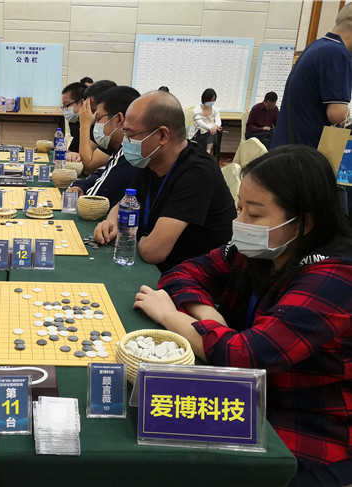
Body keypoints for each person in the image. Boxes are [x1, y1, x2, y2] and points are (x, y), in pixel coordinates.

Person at [133, 146, 352, 487]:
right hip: (244, 394)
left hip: (309, 426)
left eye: (255, 213)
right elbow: (180, 274)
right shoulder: (260, 249)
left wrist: (171, 316)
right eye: (239, 208)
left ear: (304, 223)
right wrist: (208, 317)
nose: (240, 223)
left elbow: (244, 355)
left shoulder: (334, 277)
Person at [94, 90, 236, 272]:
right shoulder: (150, 161)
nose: (125, 141)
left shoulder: (197, 173)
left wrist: (132, 237)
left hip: (193, 278)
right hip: (158, 267)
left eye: (130, 134)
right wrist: (112, 223)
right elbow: (127, 202)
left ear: (162, 135)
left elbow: (153, 252)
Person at [272, 4, 352, 149]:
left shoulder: (316, 46)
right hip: (304, 154)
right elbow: (338, 115)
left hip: (287, 148)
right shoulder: (337, 53)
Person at [67, 86, 140, 208]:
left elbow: (92, 199)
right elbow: (104, 172)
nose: (95, 124)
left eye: (98, 118)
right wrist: (81, 186)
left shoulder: (131, 153)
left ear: (119, 119)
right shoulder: (122, 147)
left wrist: (85, 125)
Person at [77, 79, 119, 175]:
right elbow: (82, 156)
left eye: (93, 111)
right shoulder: (101, 132)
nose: (88, 114)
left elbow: (87, 167)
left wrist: (84, 125)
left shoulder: (114, 133)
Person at [188, 88, 222, 157]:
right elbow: (200, 123)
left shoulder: (215, 110)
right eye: (210, 100)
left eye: (213, 100)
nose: (212, 102)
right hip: (198, 133)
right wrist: (212, 128)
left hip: (211, 132)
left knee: (213, 134)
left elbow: (218, 121)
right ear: (205, 99)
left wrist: (215, 126)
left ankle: (208, 154)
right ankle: (207, 154)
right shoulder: (197, 110)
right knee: (212, 134)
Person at [61, 82, 86, 156]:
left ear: (82, 102)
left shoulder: (93, 127)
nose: (65, 110)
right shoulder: (78, 124)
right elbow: (71, 152)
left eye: (67, 105)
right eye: (63, 107)